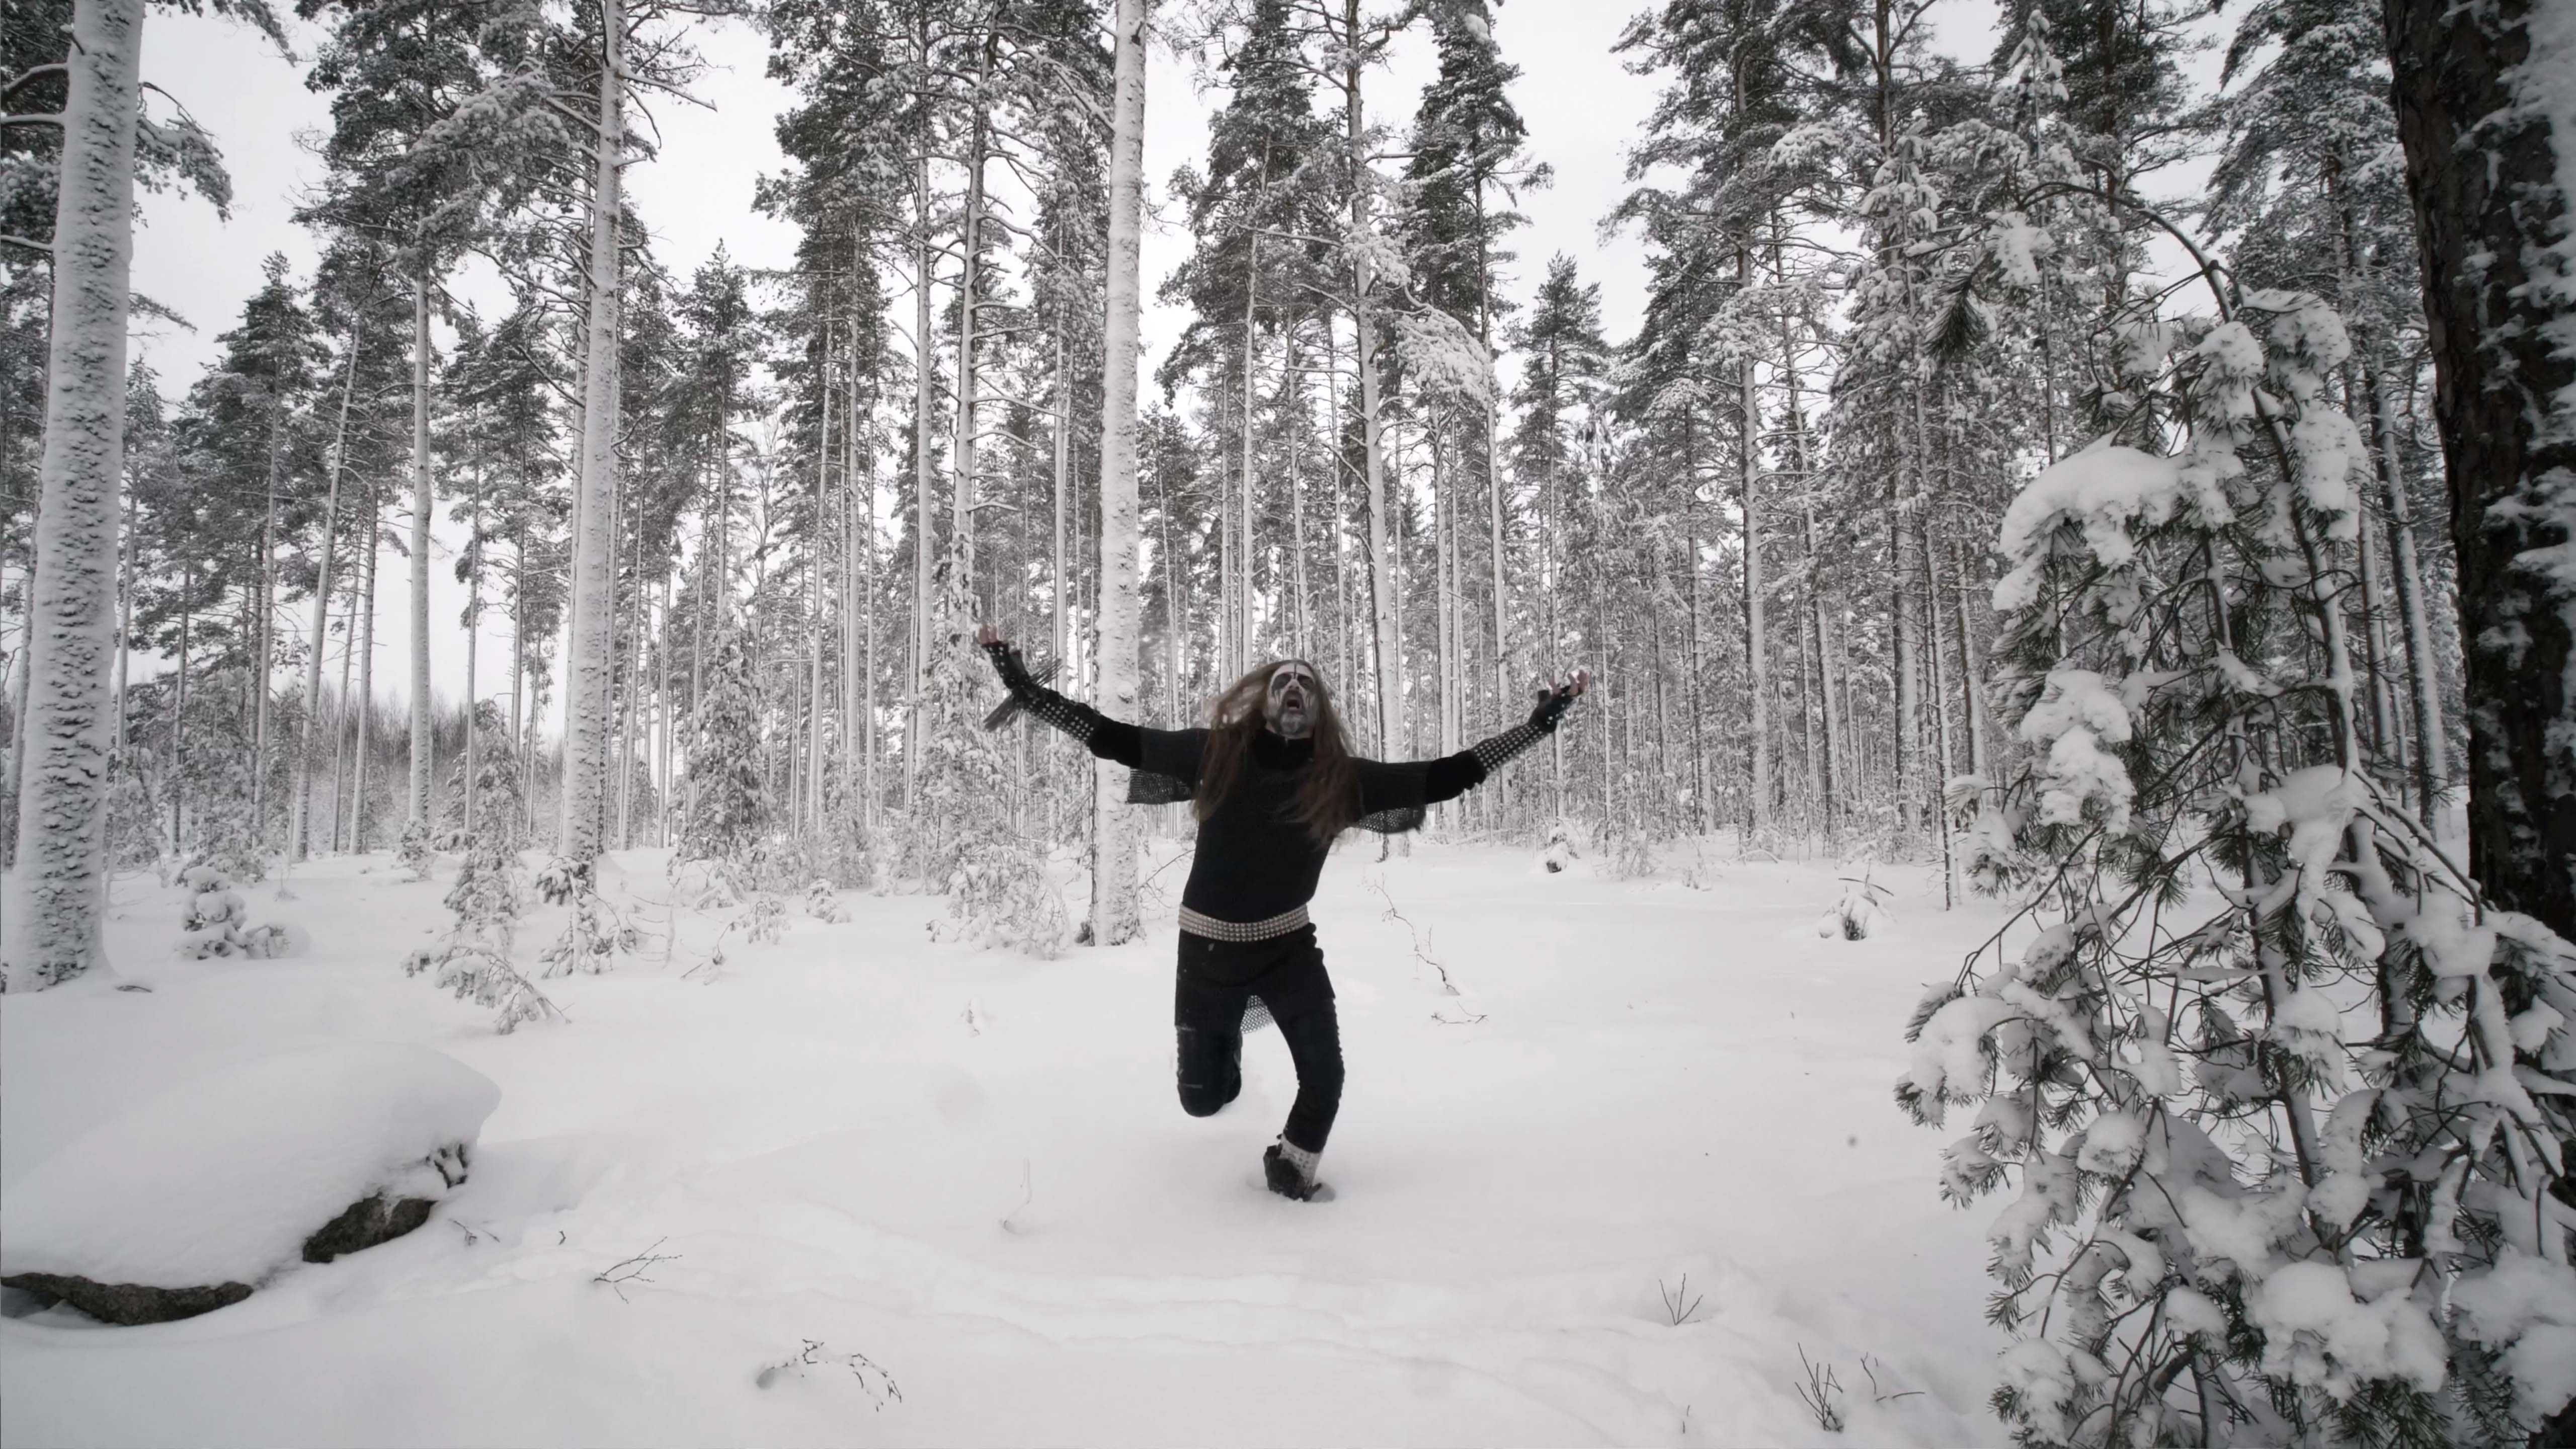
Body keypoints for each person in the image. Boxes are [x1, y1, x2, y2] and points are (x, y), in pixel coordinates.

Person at [977, 622, 1586, 1201]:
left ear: (1317, 709)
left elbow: (1449, 777)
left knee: (1326, 1079)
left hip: (1288, 951)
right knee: (1202, 1102)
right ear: (1264, 702)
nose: (1294, 689)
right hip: (1207, 955)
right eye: (1281, 683)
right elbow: (1109, 735)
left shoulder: (1343, 780)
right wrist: (1027, 692)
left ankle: (1291, 1173)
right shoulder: (1213, 754)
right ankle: (1228, 1059)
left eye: (1306, 685)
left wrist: (1533, 730)